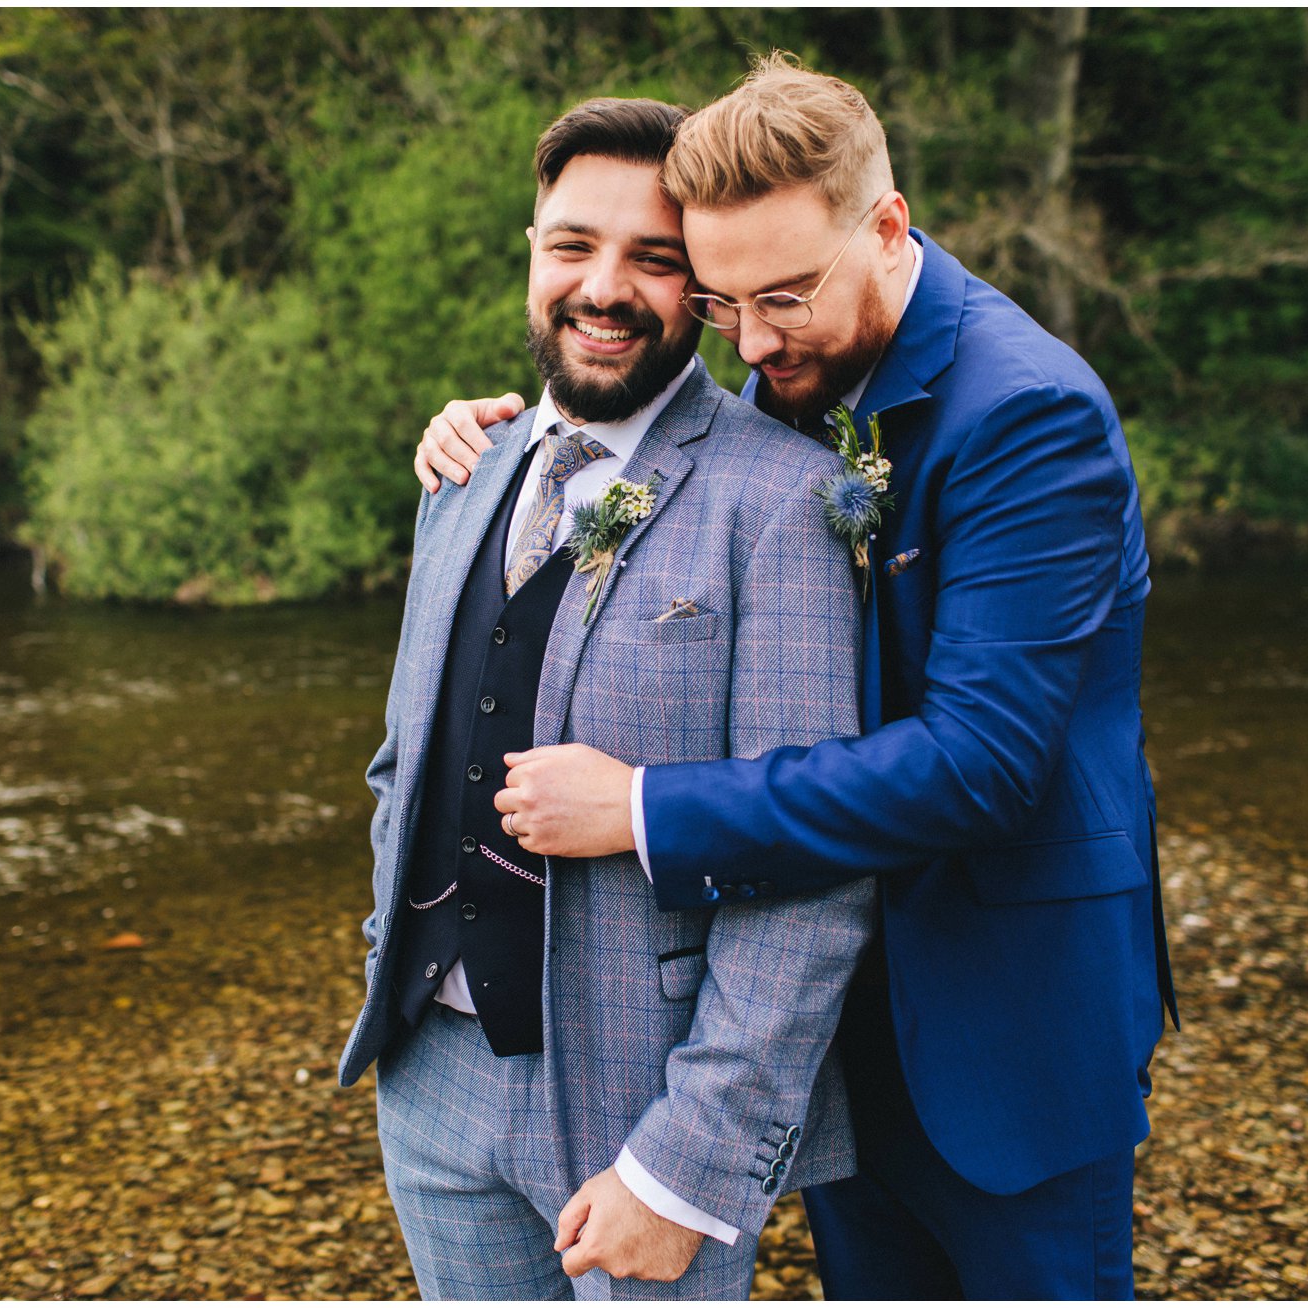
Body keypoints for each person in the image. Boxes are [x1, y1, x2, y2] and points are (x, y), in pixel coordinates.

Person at [414, 54, 1178, 1301]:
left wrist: (648, 807)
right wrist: (503, 443)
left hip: (999, 1011)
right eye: (721, 304)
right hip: (826, 1021)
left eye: (783, 296)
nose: (754, 343)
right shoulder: (795, 375)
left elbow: (980, 768)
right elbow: (655, 441)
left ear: (887, 227)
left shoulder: (1031, 415)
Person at [336, 96, 875, 1301]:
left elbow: (814, 879)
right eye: (573, 246)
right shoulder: (463, 472)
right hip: (431, 1079)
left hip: (642, 1097)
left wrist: (687, 1164)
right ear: (532, 249)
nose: (603, 287)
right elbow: (401, 763)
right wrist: (390, 960)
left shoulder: (782, 501)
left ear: (706, 289)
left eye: (655, 259)